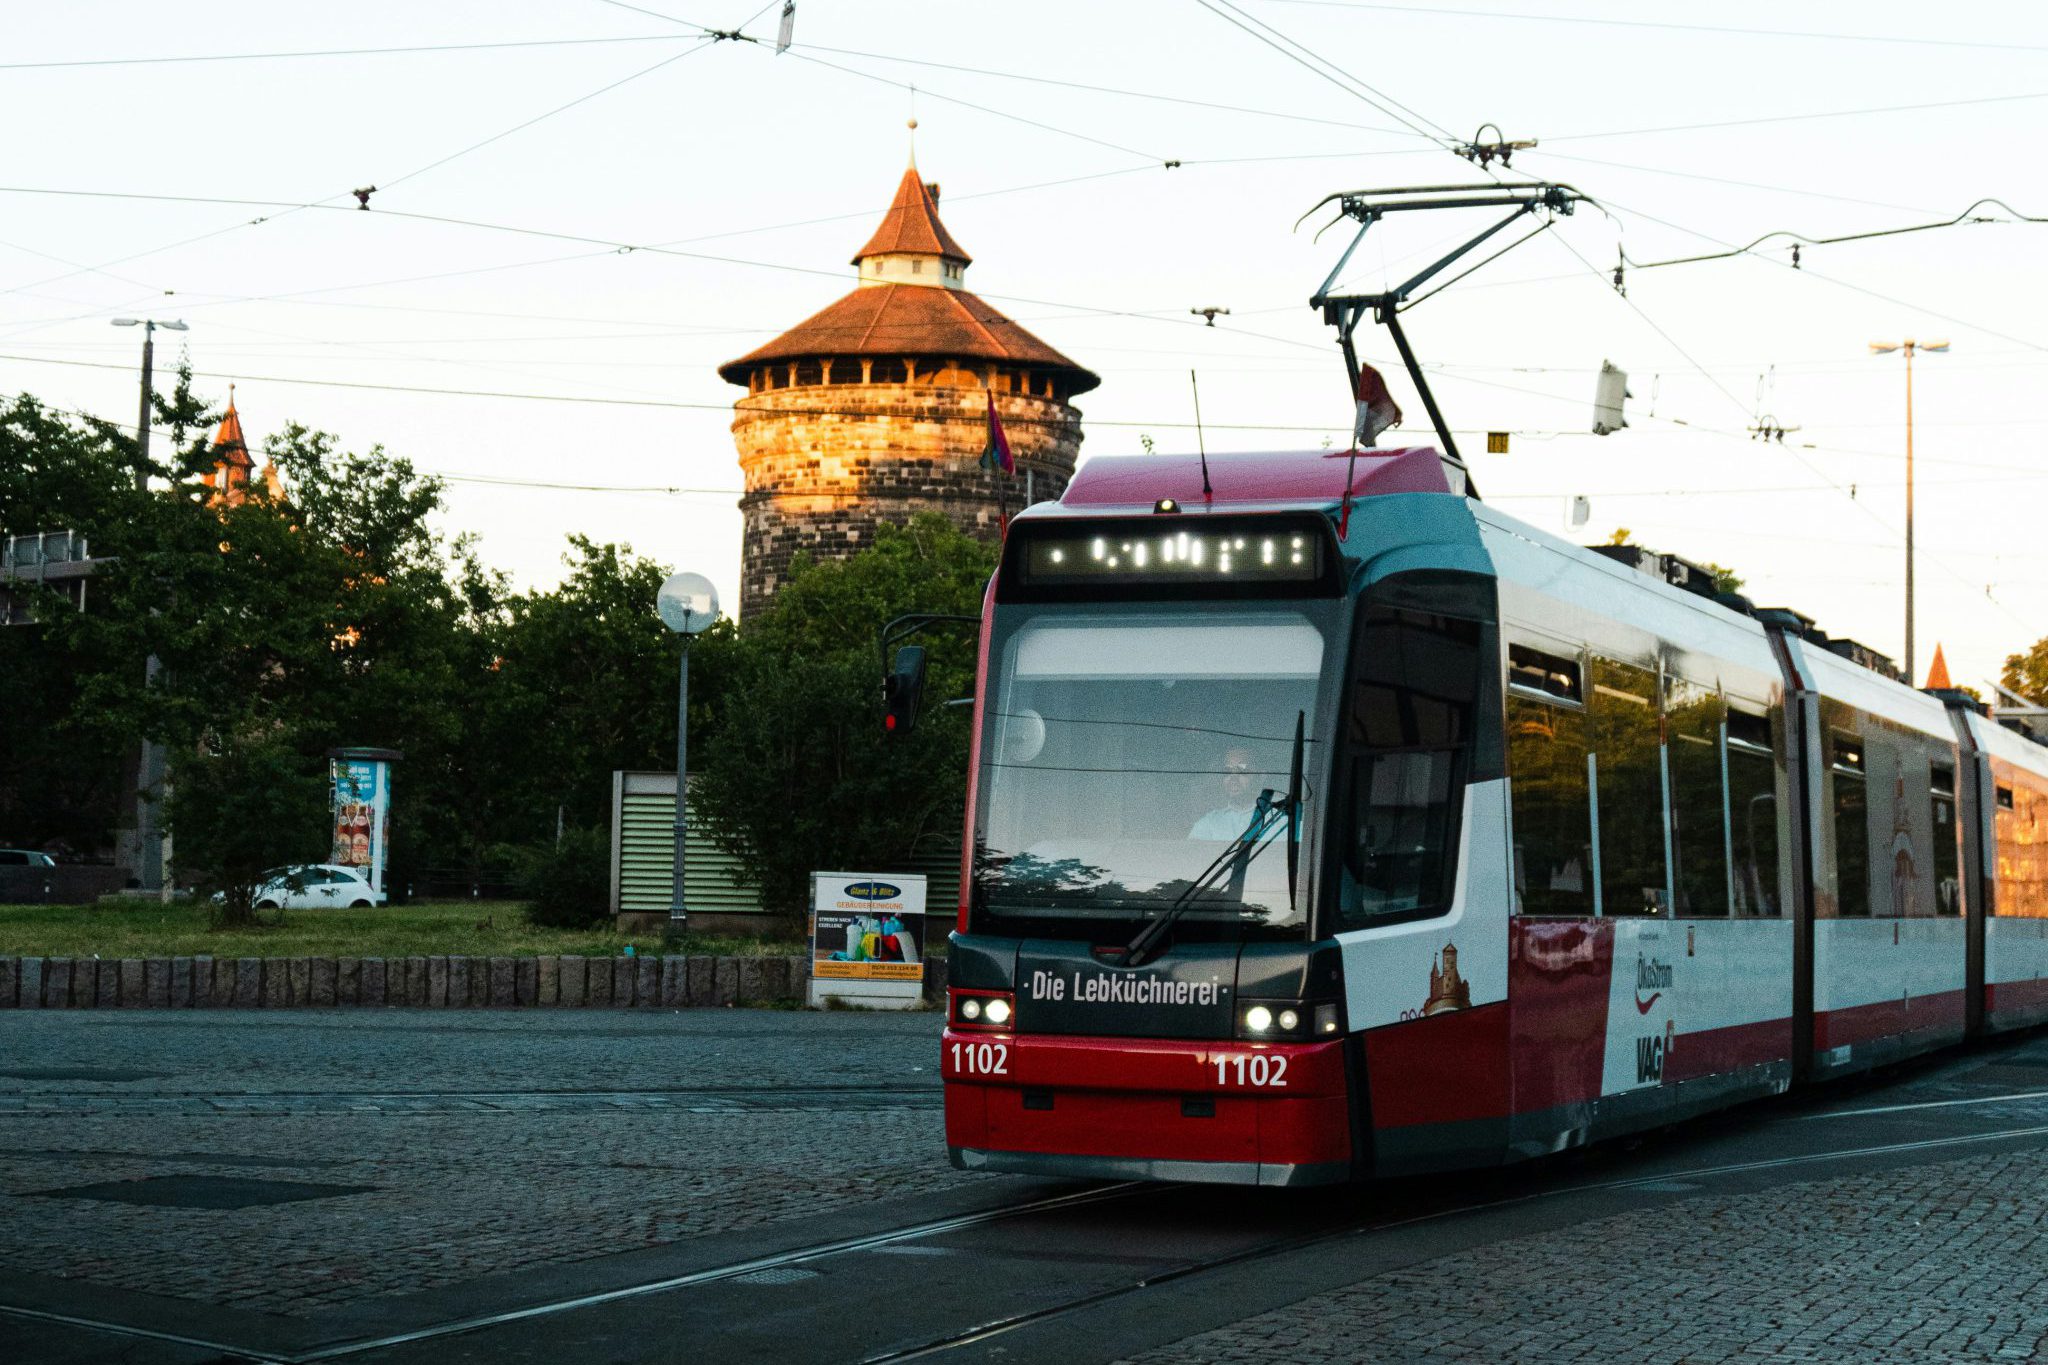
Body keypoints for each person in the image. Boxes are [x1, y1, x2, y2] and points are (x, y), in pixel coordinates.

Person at [1188, 745, 1263, 840]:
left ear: (1261, 776)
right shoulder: (1208, 824)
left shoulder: (1277, 819)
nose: (1233, 777)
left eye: (1242, 770)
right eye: (1227, 771)